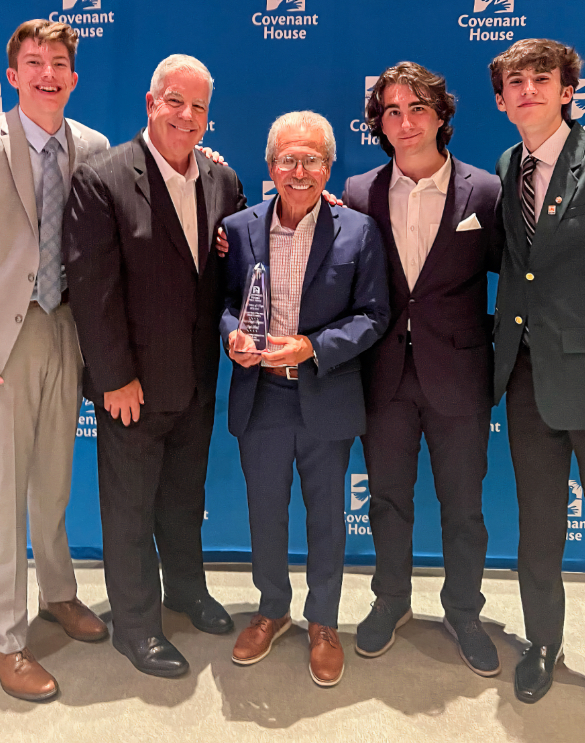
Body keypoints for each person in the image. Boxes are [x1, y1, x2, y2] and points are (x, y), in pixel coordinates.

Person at [0, 19, 108, 702]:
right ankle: (2, 641)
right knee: (3, 497)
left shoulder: (91, 146)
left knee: (54, 482)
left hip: (66, 331)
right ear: (13, 74)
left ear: (72, 75)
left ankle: (58, 593)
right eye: (33, 62)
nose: (46, 73)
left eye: (58, 62)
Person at [64, 54, 246, 679]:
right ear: (151, 103)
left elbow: (239, 264)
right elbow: (92, 290)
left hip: (196, 381)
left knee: (182, 498)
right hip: (131, 387)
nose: (187, 116)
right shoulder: (102, 178)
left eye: (198, 107)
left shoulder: (222, 182)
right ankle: (135, 626)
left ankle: (186, 593)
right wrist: (113, 377)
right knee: (130, 509)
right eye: (176, 101)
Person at [489, 38, 585, 732]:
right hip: (525, 381)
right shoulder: (507, 165)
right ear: (501, 100)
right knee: (538, 530)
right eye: (514, 81)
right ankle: (544, 641)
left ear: (567, 90)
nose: (526, 89)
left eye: (540, 78)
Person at [341, 62, 504, 676]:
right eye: (391, 111)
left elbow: (513, 280)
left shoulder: (484, 192)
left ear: (441, 116)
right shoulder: (360, 192)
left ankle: (464, 610)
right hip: (382, 373)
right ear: (379, 123)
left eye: (417, 109)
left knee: (463, 505)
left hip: (458, 375)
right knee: (387, 499)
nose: (405, 121)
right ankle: (391, 600)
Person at [220, 111, 388, 688]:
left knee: (326, 520)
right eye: (288, 159)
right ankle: (271, 609)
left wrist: (312, 347)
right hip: (260, 396)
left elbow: (374, 316)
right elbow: (223, 304)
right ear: (270, 167)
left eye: (311, 159)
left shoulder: (358, 230)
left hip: (325, 395)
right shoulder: (238, 228)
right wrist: (232, 336)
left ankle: (323, 621)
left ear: (329, 166)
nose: (299, 170)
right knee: (266, 512)